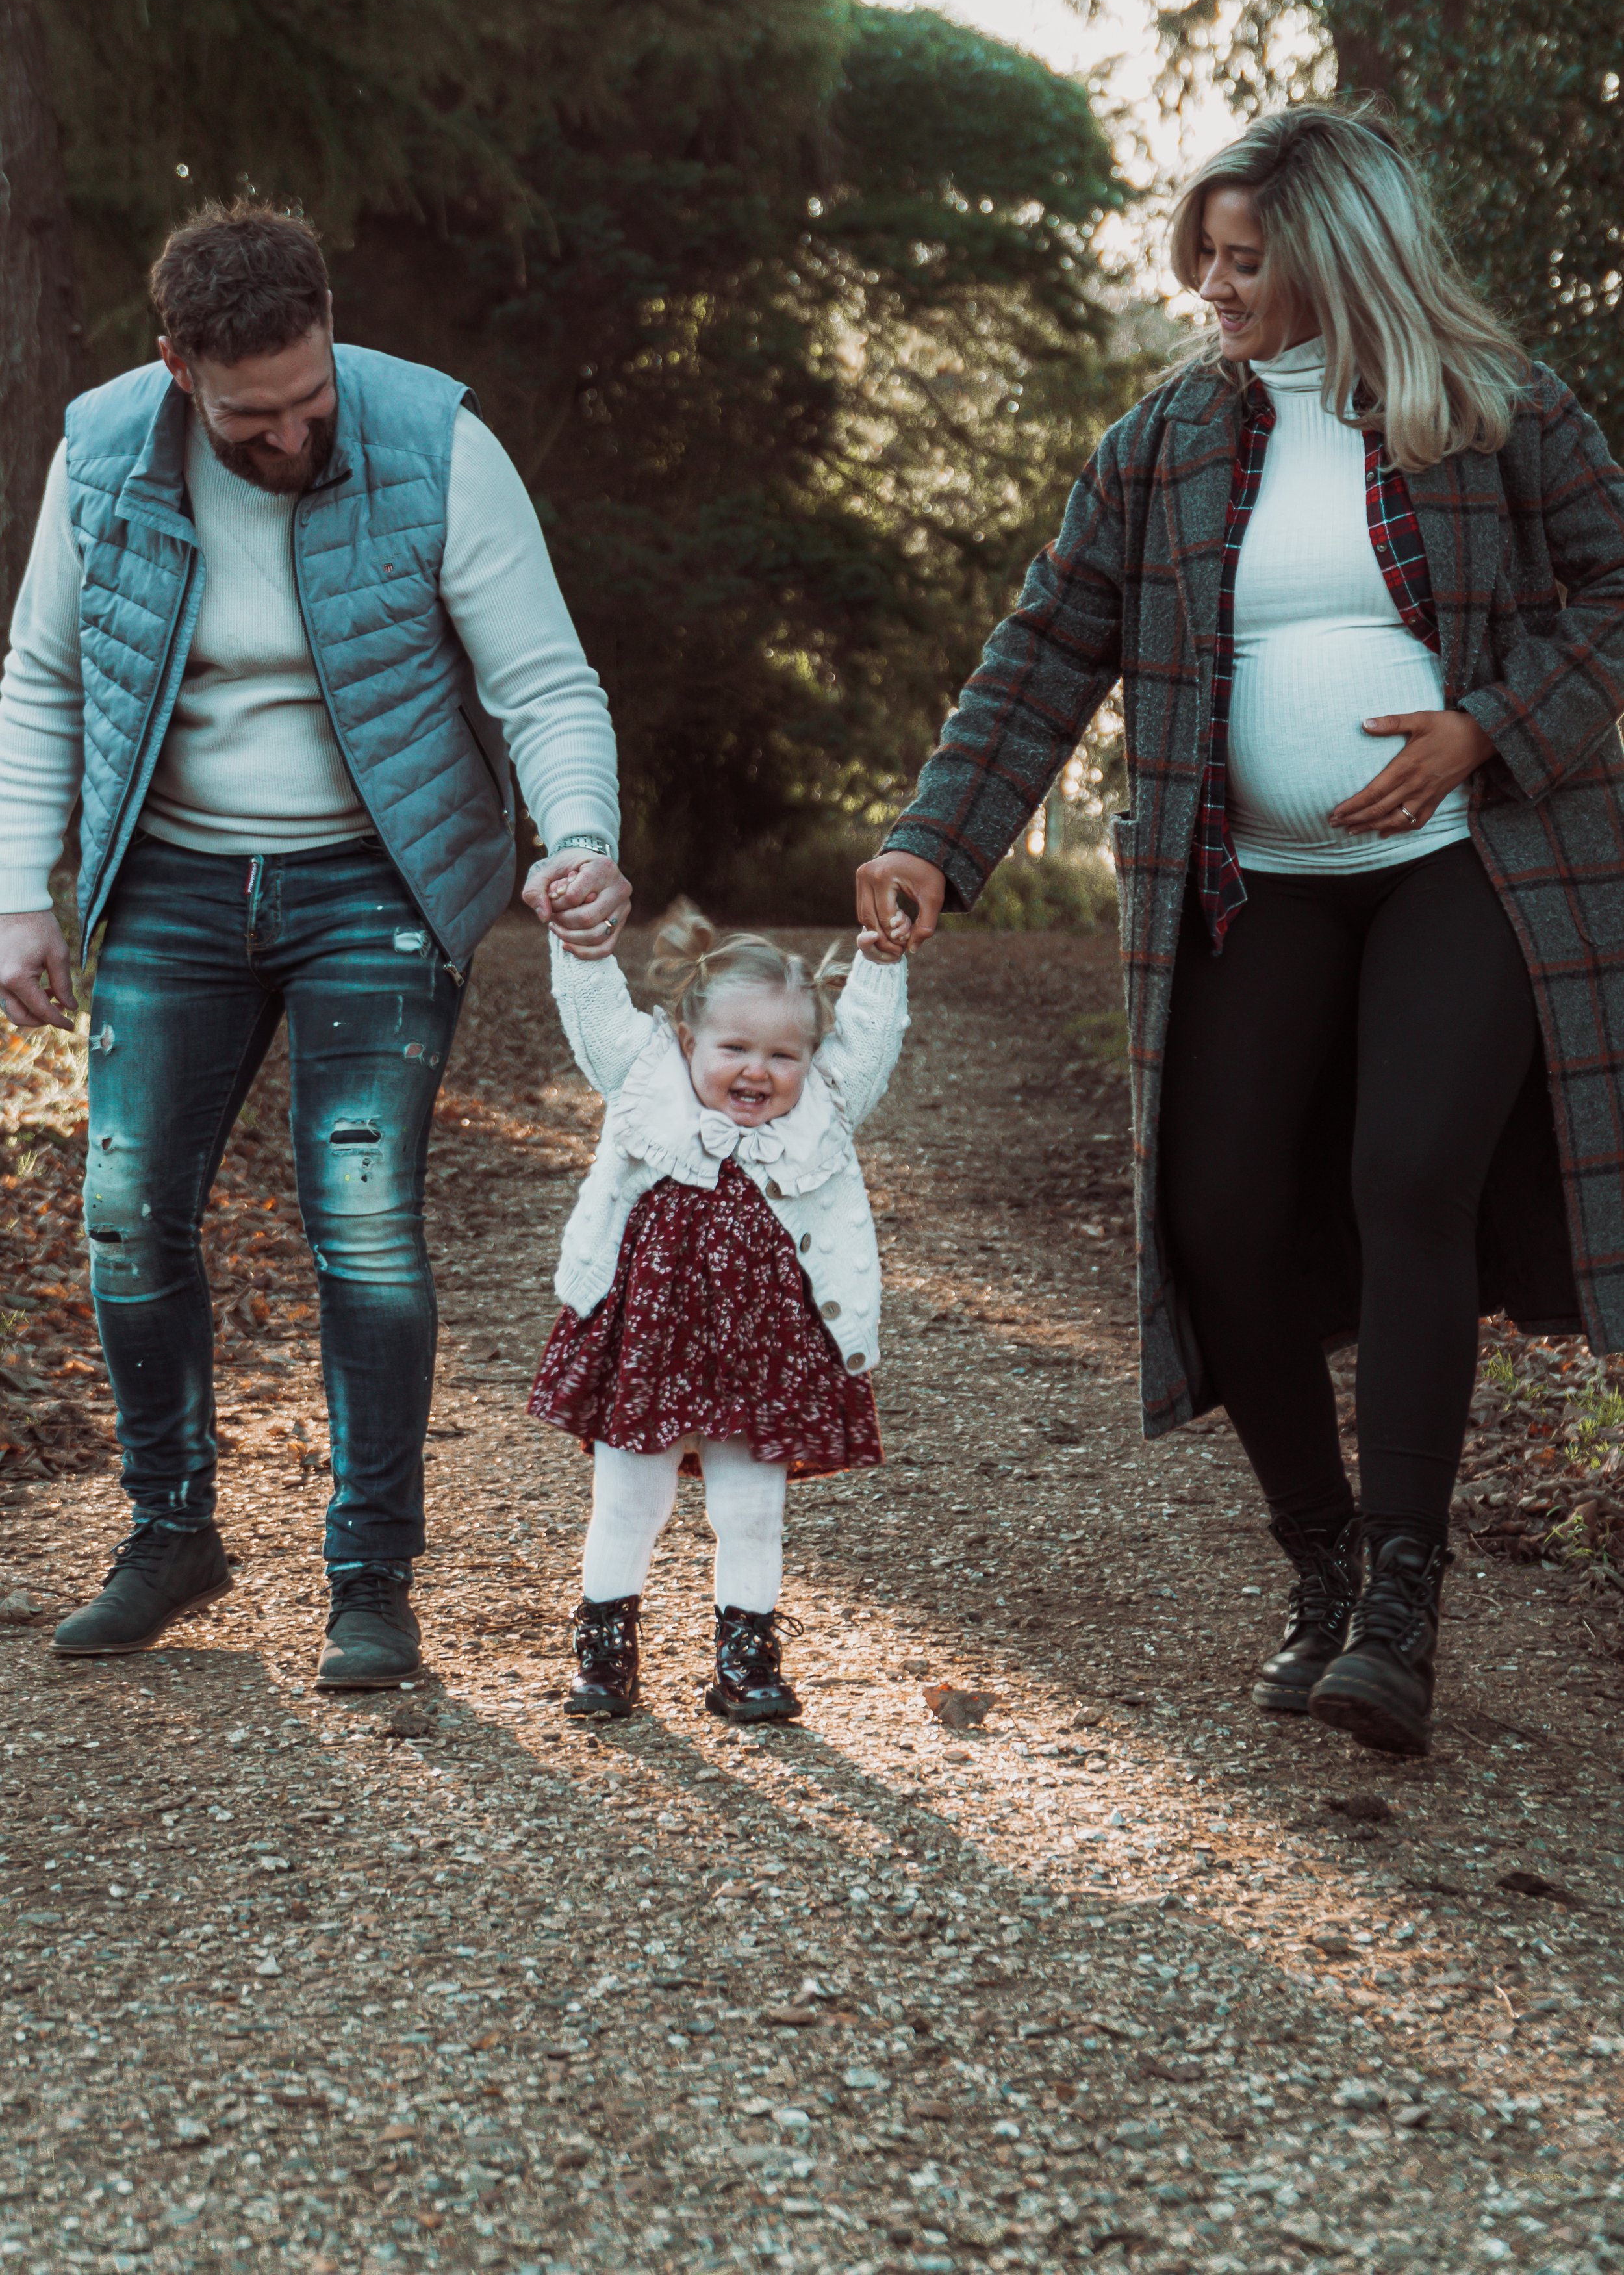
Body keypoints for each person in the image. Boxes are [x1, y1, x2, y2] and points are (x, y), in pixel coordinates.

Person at [859, 102, 1624, 1758]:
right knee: (1212, 1213)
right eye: (1201, 256)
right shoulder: (1165, 442)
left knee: (1407, 1173)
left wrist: (1485, 723)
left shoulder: (1492, 413)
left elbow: (1618, 591)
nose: (1212, 286)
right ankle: (1323, 1555)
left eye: (1244, 259)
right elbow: (1048, 642)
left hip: (1465, 862)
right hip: (1245, 877)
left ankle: (1403, 1604)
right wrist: (937, 835)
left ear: (1338, 257)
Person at [0, 200, 631, 1690]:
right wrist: (20, 884)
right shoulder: (101, 452)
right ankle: (170, 1530)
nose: (289, 437)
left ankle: (371, 1571)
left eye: (308, 398)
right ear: (177, 370)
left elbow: (544, 679)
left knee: (362, 1213)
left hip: (381, 875)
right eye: (249, 416)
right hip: (173, 878)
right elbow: (40, 676)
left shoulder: (435, 442)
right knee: (124, 1204)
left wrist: (579, 834)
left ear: (332, 332)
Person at [528, 900, 907, 1722]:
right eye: (734, 1048)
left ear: (811, 1057)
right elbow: (595, 1015)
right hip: (649, 1343)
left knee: (750, 1508)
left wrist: (882, 959)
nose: (758, 1071)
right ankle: (604, 1651)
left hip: (764, 1350)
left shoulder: (823, 1109)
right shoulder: (645, 1080)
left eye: (783, 1054)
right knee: (630, 1500)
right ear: (687, 1039)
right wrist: (578, 944)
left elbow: (871, 1044)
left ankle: (745, 1656)